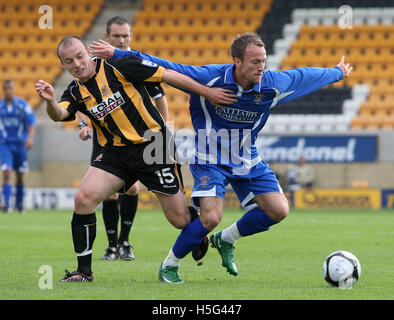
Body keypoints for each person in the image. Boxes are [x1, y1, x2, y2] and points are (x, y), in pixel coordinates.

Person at [89, 32, 353, 283]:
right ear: (237, 62)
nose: (261, 67)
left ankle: (226, 239)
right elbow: (164, 65)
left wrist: (337, 73)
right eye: (255, 61)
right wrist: (117, 54)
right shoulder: (210, 77)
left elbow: (305, 75)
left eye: (263, 60)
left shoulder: (272, 84)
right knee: (210, 218)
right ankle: (169, 265)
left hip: (247, 159)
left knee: (278, 210)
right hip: (210, 159)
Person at [35, 35, 236, 282]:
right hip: (116, 153)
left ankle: (197, 229)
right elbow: (60, 114)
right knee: (83, 199)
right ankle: (84, 272)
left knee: (179, 219)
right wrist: (49, 102)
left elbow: (168, 75)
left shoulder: (118, 65)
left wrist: (208, 92)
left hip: (154, 145)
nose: (76, 64)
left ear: (88, 53)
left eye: (79, 56)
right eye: (69, 61)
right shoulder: (76, 91)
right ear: (63, 65)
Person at [78, 16, 172, 261]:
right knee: (107, 194)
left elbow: (160, 97)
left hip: (136, 140)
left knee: (130, 188)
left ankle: (124, 242)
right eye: (117, 36)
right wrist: (82, 124)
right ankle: (111, 246)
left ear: (131, 36)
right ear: (107, 38)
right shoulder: (93, 65)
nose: (121, 40)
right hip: (105, 138)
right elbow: (78, 98)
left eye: (125, 36)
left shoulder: (136, 62)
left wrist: (163, 131)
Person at [0, 79, 36, 213]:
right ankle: (8, 205)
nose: (8, 91)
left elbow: (32, 122)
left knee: (20, 174)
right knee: (7, 172)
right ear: (4, 90)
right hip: (5, 145)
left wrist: (30, 138)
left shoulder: (22, 105)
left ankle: (19, 205)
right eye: (6, 89)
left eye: (10, 88)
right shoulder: (0, 107)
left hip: (20, 144)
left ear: (13, 89)